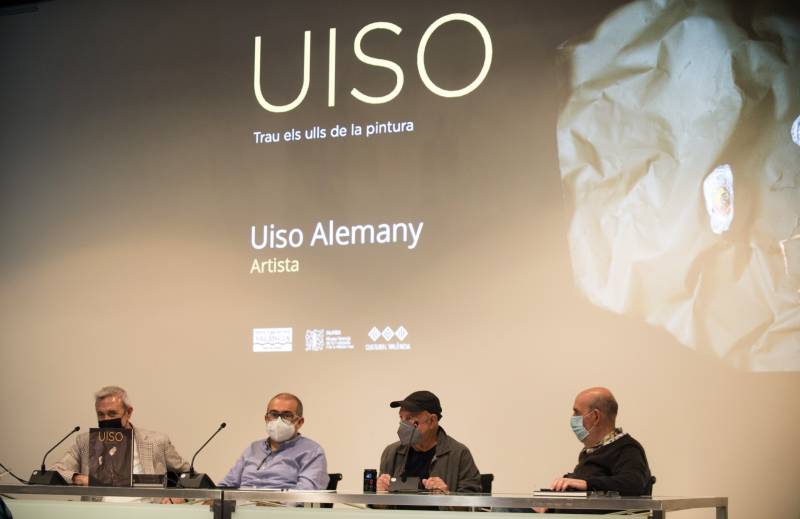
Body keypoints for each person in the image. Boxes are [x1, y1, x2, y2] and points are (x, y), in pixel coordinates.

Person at [51, 386, 190, 503]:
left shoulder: (156, 441)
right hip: (100, 514)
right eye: (101, 414)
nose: (106, 419)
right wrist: (78, 478)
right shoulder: (85, 442)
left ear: (128, 412)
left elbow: (189, 475)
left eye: (112, 414)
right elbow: (55, 470)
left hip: (147, 512)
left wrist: (179, 497)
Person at [536, 387, 652, 513]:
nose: (573, 418)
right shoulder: (590, 452)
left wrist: (586, 483)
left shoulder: (627, 448)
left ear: (596, 416)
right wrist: (550, 504)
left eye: (577, 413)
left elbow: (632, 484)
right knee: (515, 509)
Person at [377, 390, 481, 494]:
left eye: (409, 418)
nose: (402, 424)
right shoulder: (391, 453)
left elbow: (473, 503)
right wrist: (379, 497)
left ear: (432, 421)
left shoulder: (459, 454)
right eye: (401, 418)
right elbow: (379, 506)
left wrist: (447, 497)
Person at [218, 392, 328, 489]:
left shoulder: (312, 452)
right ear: (266, 419)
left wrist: (270, 506)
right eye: (274, 414)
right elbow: (227, 486)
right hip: (242, 509)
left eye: (287, 415)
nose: (278, 420)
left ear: (300, 422)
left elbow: (305, 495)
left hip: (281, 511)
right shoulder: (253, 449)